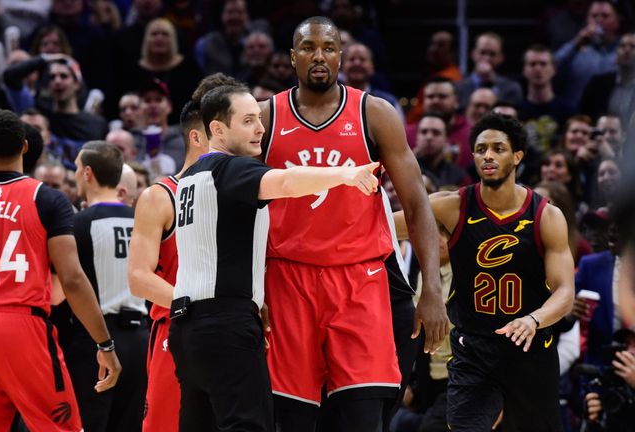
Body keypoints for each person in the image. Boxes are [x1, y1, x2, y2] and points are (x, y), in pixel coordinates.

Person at [260, 17, 446, 432]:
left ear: (341, 56)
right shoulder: (265, 119)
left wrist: (430, 288)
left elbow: (417, 206)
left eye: (328, 47)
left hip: (360, 280)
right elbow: (242, 212)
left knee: (365, 417)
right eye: (308, 47)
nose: (319, 56)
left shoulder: (374, 114)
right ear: (293, 58)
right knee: (292, 420)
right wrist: (250, 291)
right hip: (288, 280)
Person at [165, 83, 382, 432]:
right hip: (226, 325)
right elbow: (285, 182)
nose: (261, 128)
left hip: (187, 328)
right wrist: (346, 174)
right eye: (248, 120)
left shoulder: (189, 177)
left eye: (259, 119)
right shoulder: (229, 170)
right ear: (217, 130)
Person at [0, 109, 121, 431]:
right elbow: (71, 278)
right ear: (25, 147)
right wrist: (104, 344)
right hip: (22, 326)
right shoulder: (48, 199)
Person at [394, 113, 575, 431]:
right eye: (480, 149)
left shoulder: (546, 216)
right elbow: (381, 225)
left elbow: (564, 292)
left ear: (517, 155)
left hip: (530, 352)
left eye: (498, 148)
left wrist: (533, 319)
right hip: (473, 351)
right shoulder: (452, 206)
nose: (488, 155)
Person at [129, 72, 241, 432]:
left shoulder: (243, 188)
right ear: (199, 136)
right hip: (178, 330)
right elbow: (139, 277)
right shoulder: (160, 196)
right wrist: (192, 304)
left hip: (237, 333)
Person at [65, 141, 147, 432]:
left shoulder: (77, 223)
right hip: (141, 339)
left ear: (87, 173)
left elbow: (58, 291)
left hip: (95, 342)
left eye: (75, 168)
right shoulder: (143, 220)